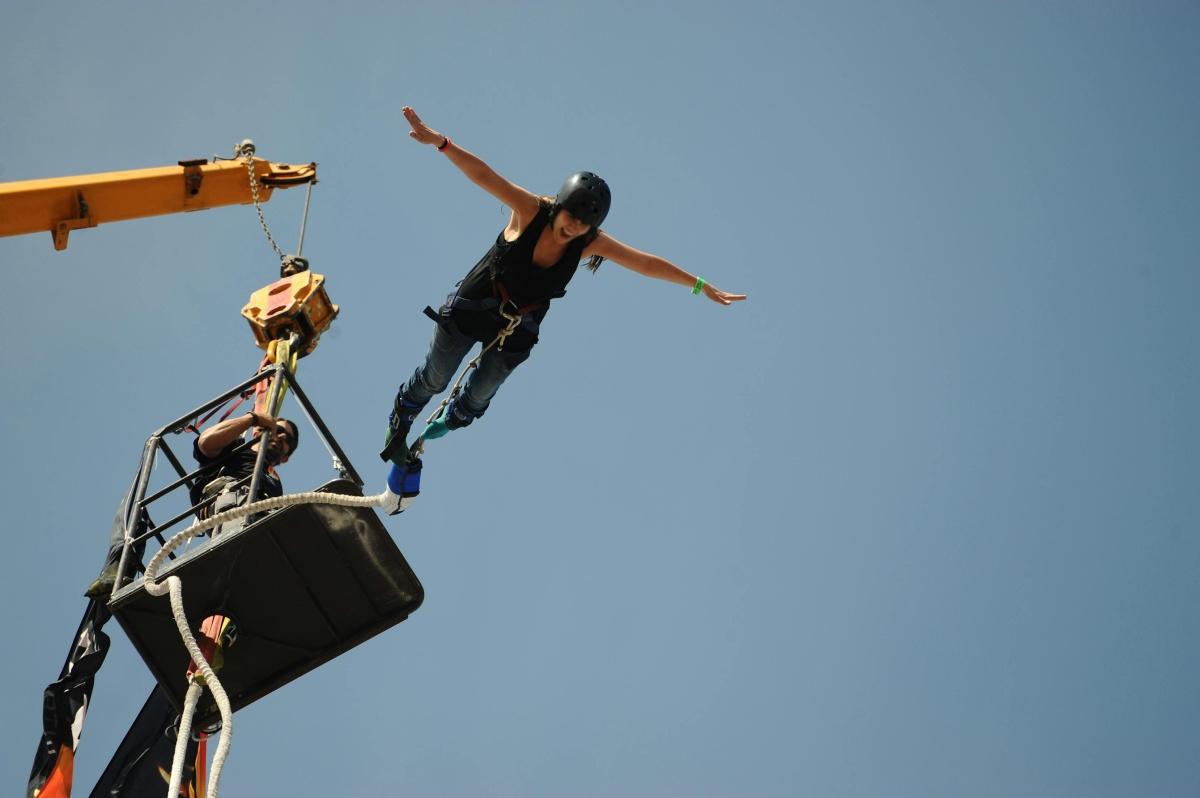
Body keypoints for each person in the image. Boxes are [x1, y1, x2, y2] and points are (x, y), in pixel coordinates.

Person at [381, 106, 746, 465]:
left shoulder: (589, 243)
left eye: (582, 226)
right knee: (436, 378)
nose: (573, 228)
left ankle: (448, 422)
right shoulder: (530, 210)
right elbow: (483, 175)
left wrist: (698, 284)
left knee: (476, 401)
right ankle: (403, 414)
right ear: (560, 207)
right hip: (474, 307)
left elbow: (645, 263)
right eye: (571, 217)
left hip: (517, 329)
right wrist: (440, 142)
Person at [84, 411, 299, 598]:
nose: (279, 436)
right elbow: (206, 442)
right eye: (276, 429)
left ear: (287, 458)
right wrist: (252, 418)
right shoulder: (236, 447)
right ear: (259, 431)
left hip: (259, 521)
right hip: (228, 505)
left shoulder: (275, 482)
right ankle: (120, 569)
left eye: (286, 437)